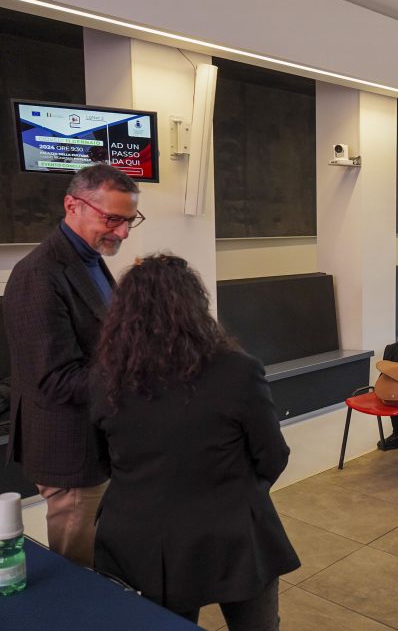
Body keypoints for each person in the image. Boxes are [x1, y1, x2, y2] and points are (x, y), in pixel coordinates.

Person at [89, 254, 299, 629]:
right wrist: (238, 492)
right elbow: (273, 455)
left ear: (123, 315)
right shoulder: (238, 370)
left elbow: (103, 460)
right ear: (195, 307)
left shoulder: (104, 380)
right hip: (234, 534)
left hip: (141, 540)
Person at [3, 164, 143, 567]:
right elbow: (54, 380)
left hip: (99, 437)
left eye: (130, 220)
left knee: (101, 556)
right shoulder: (37, 274)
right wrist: (139, 372)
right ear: (72, 205)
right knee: (76, 570)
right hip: (70, 450)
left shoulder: (90, 258)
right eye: (112, 219)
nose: (123, 233)